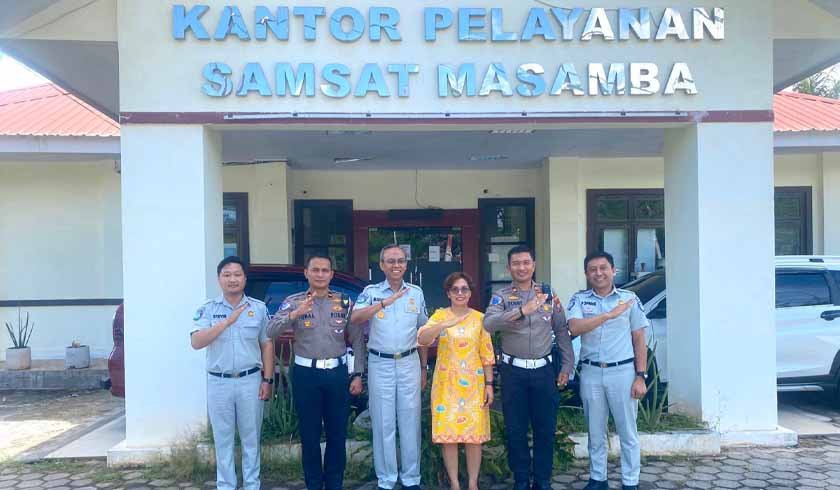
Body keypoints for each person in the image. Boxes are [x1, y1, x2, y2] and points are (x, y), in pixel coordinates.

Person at [267, 254, 365, 490]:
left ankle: (334, 484)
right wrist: (294, 314)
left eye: (325, 270)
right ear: (306, 273)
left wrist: (358, 374)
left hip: (337, 375)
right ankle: (313, 484)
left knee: (336, 434)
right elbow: (270, 331)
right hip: (306, 375)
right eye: (315, 270)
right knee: (309, 435)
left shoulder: (344, 302)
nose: (320, 274)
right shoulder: (293, 301)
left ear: (331, 274)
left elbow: (357, 339)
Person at [483, 245, 574, 490]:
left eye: (526, 262)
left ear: (534, 265)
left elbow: (561, 330)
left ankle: (542, 481)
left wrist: (567, 365)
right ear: (508, 267)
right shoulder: (501, 296)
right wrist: (522, 311)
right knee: (516, 429)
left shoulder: (548, 294)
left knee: (545, 429)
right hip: (514, 373)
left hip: (544, 372)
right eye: (516, 263)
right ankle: (521, 480)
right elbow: (489, 324)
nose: (521, 267)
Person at [190, 256, 274, 490]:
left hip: (250, 380)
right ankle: (226, 485)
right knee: (223, 439)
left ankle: (252, 485)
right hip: (219, 382)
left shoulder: (258, 308)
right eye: (227, 275)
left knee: (251, 439)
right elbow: (196, 342)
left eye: (237, 274)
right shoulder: (207, 309)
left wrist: (267, 380)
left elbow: (267, 344)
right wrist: (226, 322)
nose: (232, 279)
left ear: (245, 278)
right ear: (219, 279)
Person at [567, 251, 650, 490]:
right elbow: (574, 327)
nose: (598, 273)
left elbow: (639, 339)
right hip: (591, 373)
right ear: (586, 274)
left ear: (614, 270)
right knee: (595, 431)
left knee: (628, 431)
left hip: (622, 373)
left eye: (603, 268)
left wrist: (640, 376)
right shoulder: (579, 299)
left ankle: (630, 482)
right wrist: (607, 316)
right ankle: (598, 479)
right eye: (592, 269)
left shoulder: (629, 299)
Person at [350, 244, 428, 490]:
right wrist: (384, 303)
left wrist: (424, 368)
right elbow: (356, 318)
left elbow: (423, 332)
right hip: (380, 362)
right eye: (390, 261)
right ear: (382, 265)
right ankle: (386, 479)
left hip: (409, 362)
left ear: (406, 265)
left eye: (400, 261)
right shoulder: (371, 292)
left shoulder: (416, 293)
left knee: (410, 420)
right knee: (383, 421)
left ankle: (411, 478)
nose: (396, 265)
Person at [417, 272, 495, 490]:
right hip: (446, 385)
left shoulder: (480, 318)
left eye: (464, 289)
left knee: (474, 437)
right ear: (448, 293)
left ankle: (472, 483)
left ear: (470, 293)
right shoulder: (439, 316)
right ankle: (454, 483)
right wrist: (444, 324)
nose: (460, 293)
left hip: (474, 385)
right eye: (455, 289)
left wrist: (489, 385)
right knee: (448, 437)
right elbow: (422, 339)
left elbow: (487, 354)